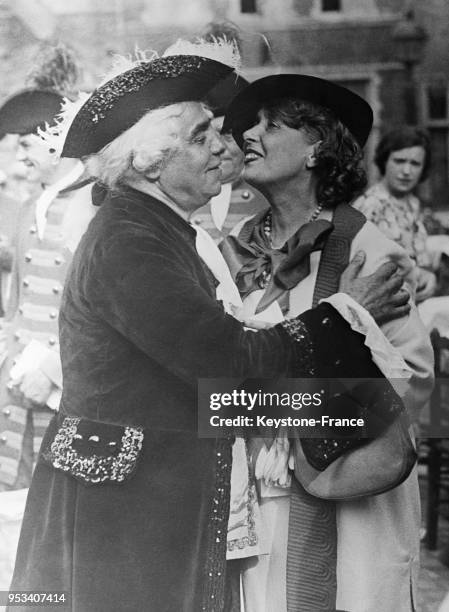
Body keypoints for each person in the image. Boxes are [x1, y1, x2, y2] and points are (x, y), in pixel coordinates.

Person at [9, 43, 411, 612]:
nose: (228, 145)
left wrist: (336, 416)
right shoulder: (132, 240)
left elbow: (213, 393)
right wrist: (347, 314)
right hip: (127, 515)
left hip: (166, 500)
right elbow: (230, 365)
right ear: (150, 161)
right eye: (202, 136)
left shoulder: (165, 231)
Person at [221, 75, 434, 612]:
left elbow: (411, 387)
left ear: (317, 147)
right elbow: (212, 393)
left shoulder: (368, 251)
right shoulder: (231, 252)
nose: (249, 134)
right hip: (255, 506)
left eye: (270, 125)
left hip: (348, 495)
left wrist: (269, 397)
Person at [353, 126, 436, 304]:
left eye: (415, 164)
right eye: (399, 161)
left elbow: (418, 259)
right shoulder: (371, 205)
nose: (406, 171)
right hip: (380, 304)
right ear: (384, 161)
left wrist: (428, 277)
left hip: (412, 300)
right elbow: (364, 268)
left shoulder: (413, 204)